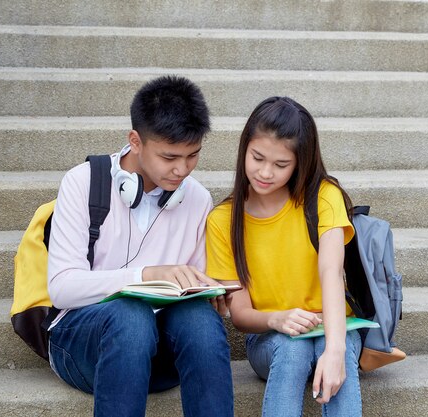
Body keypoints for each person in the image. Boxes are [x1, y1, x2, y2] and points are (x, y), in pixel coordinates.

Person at [46, 75, 234, 417]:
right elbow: (61, 288)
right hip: (84, 346)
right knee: (129, 316)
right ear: (135, 141)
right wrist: (146, 275)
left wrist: (212, 292)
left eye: (193, 156)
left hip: (160, 355)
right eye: (169, 157)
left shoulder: (197, 198)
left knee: (200, 319)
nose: (182, 169)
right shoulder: (82, 182)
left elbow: (191, 294)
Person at [206, 96, 362, 416]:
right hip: (270, 339)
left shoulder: (323, 197)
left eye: (281, 165)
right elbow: (240, 315)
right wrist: (277, 319)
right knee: (293, 347)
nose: (265, 172)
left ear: (300, 162)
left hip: (333, 327)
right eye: (257, 157)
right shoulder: (223, 220)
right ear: (244, 149)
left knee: (335, 350)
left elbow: (331, 273)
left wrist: (334, 351)